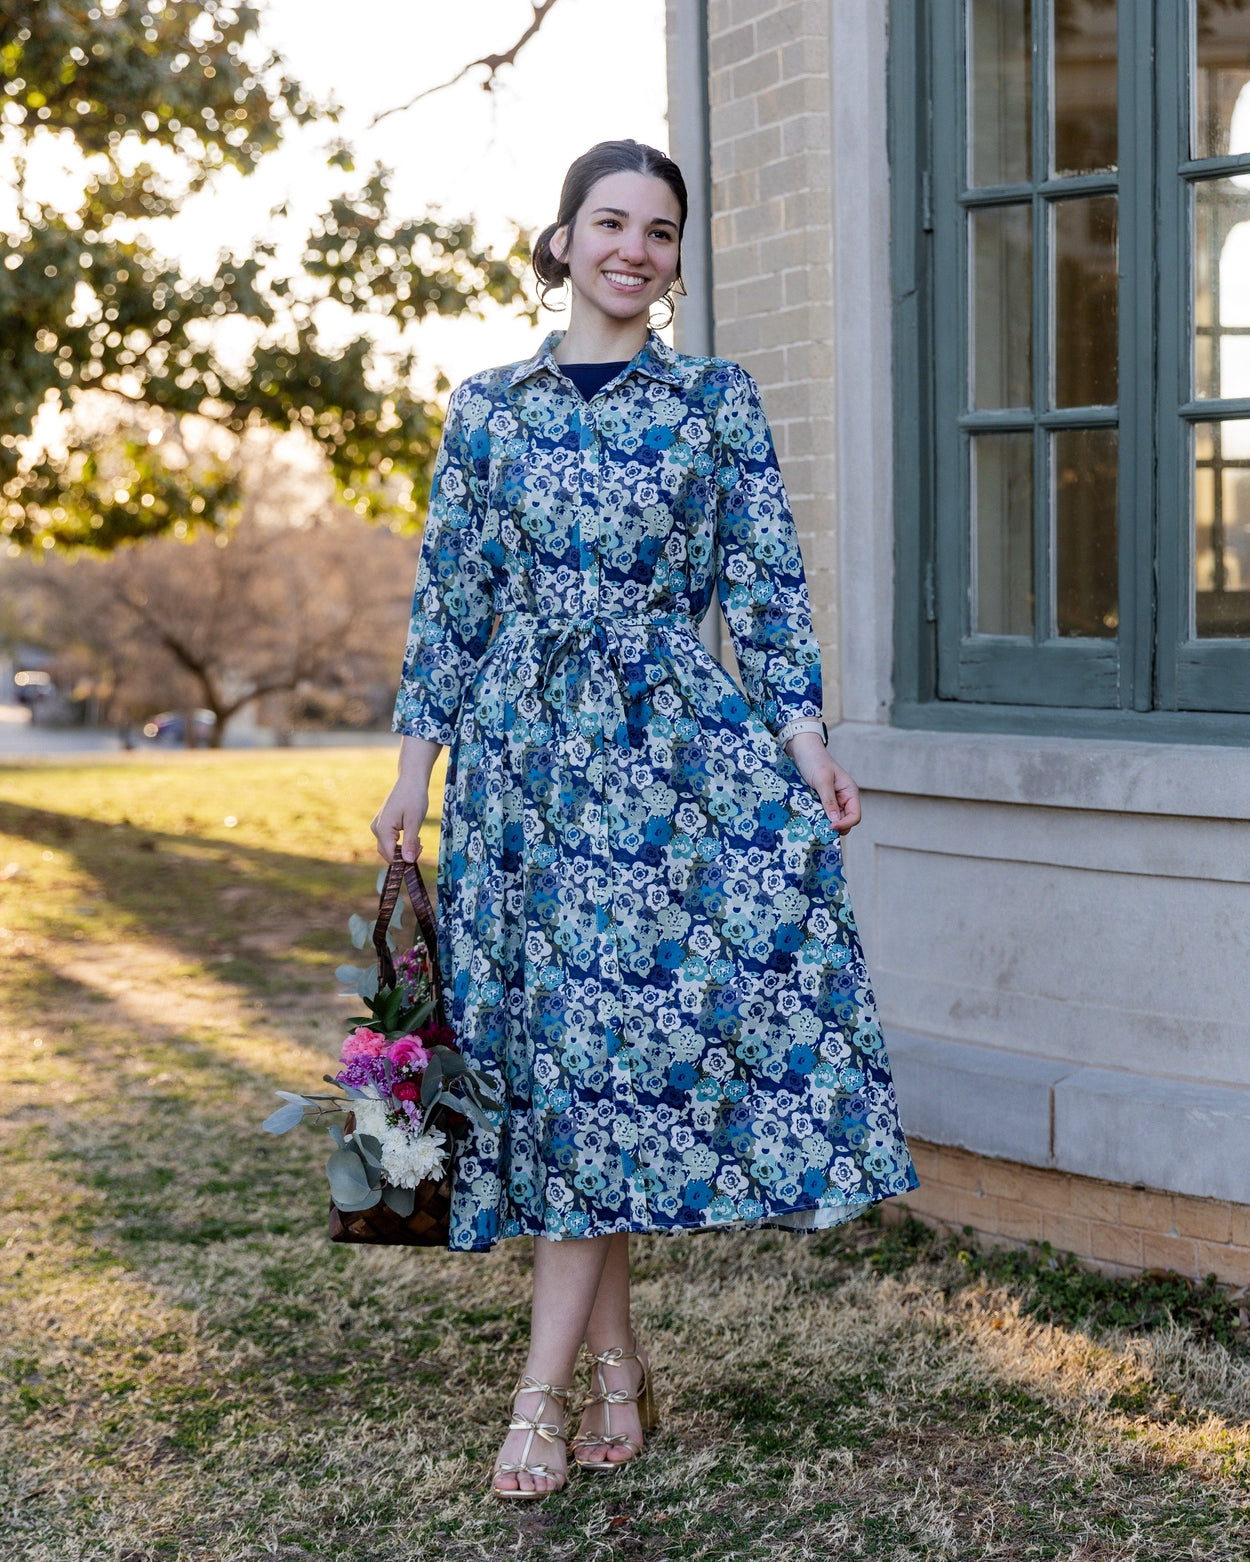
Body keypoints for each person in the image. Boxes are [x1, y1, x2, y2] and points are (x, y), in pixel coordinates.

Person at [370, 139, 919, 1499]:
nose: (634, 248)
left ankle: (540, 1399)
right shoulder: (486, 409)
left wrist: (806, 744)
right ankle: (615, 1369)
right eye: (609, 222)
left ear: (676, 260)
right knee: (563, 1078)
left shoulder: (714, 402)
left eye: (660, 231)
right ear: (561, 240)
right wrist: (410, 770)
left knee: (604, 1072)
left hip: (667, 768)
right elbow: (451, 598)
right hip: (517, 774)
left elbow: (765, 585)